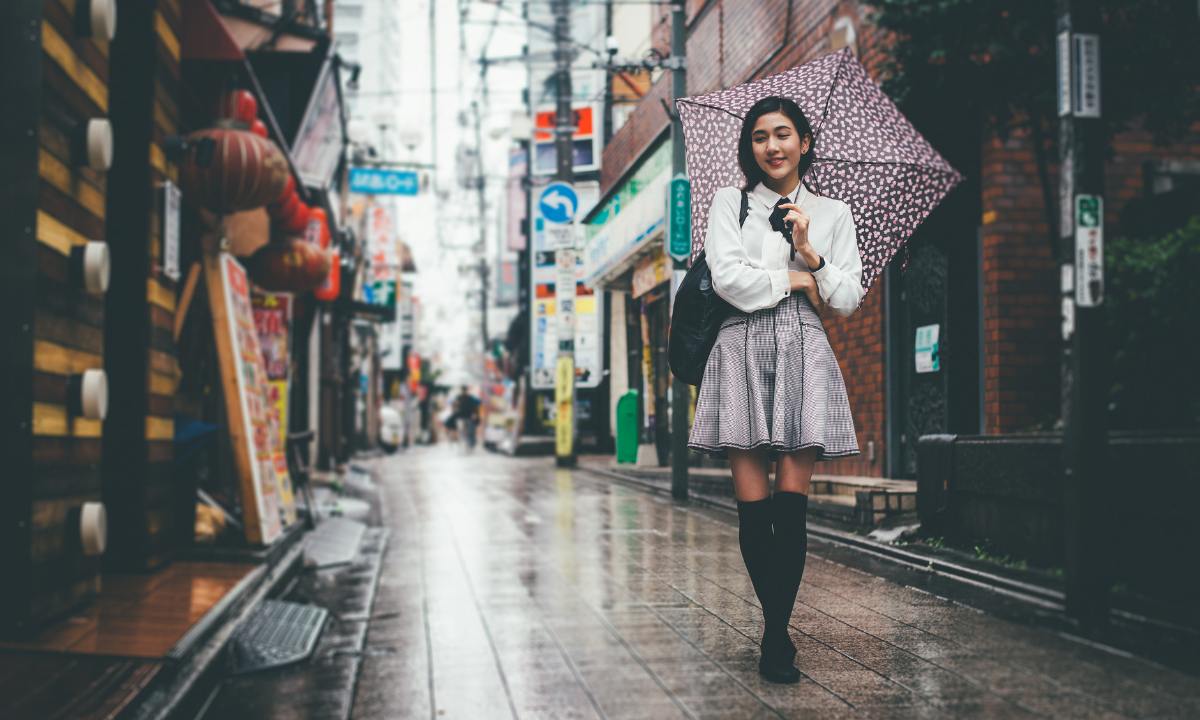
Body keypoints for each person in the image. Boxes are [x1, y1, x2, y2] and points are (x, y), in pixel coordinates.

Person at [687, 96, 864, 684]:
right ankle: (777, 627)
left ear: (804, 142)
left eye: (783, 134)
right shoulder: (728, 203)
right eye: (760, 137)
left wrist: (811, 252)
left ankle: (774, 634)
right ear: (751, 147)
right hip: (739, 346)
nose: (772, 146)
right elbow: (727, 277)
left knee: (791, 508)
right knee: (752, 507)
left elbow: (845, 300)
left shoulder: (833, 214)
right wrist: (794, 277)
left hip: (804, 349)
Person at [452, 386, 481, 450]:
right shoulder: (460, 398)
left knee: (469, 430)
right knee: (467, 430)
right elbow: (455, 406)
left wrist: (474, 414)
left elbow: (476, 405)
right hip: (464, 416)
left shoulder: (468, 398)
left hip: (467, 416)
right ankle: (468, 442)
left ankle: (470, 443)